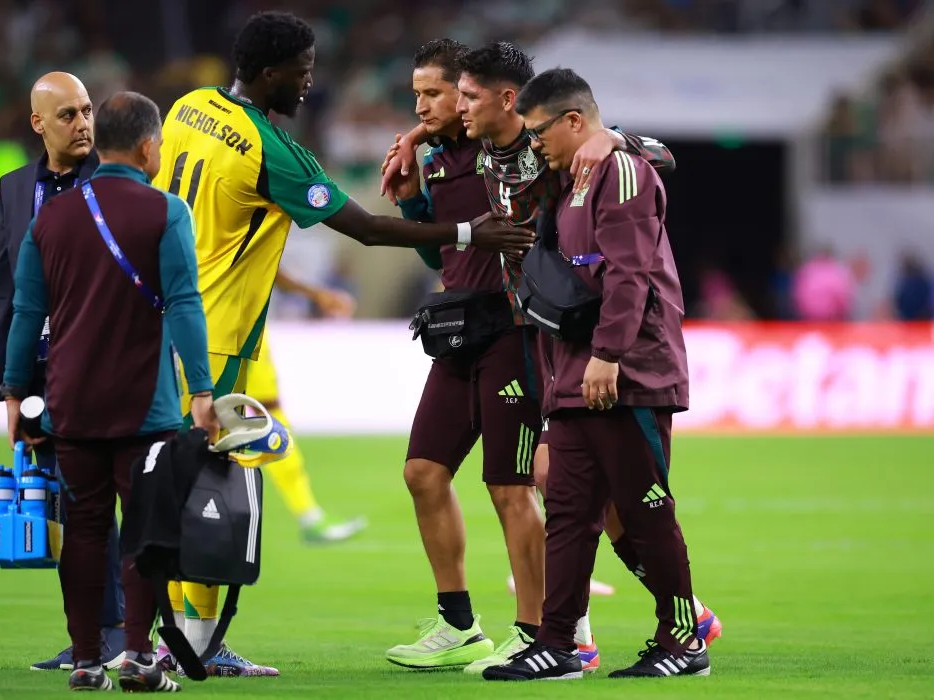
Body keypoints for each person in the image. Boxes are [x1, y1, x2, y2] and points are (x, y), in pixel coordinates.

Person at [150, 11, 533, 678]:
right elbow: (363, 228)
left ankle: (178, 639)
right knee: (208, 494)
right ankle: (191, 647)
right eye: (301, 74)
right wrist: (470, 234)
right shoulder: (271, 150)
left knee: (171, 489)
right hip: (216, 342)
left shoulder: (188, 107)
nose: (308, 86)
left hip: (160, 328)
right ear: (270, 74)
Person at [381, 40, 706, 673]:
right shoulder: (463, 156)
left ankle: (677, 624)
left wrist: (610, 138)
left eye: (452, 95)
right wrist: (417, 154)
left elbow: (654, 168)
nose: (438, 107)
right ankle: (556, 640)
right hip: (535, 341)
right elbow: (440, 251)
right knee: (564, 495)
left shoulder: (560, 147)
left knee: (597, 497)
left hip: (555, 343)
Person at [484, 68, 708, 681]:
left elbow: (630, 273)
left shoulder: (621, 169)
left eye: (539, 132)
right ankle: (558, 645)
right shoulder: (562, 176)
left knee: (645, 511)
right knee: (569, 511)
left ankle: (685, 641)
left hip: (627, 369)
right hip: (574, 370)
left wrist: (610, 354)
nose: (534, 145)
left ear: (575, 122)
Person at [2, 90, 219, 693]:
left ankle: (85, 660)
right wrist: (200, 390)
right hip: (143, 410)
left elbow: (26, 312)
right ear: (150, 146)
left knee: (87, 529)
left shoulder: (52, 217)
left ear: (102, 139)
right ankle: (141, 660)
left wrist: (14, 393)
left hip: (72, 405)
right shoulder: (166, 210)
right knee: (145, 533)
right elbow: (182, 302)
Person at [0, 71, 127, 672]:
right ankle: (89, 634)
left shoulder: (114, 180)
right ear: (38, 124)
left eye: (87, 110)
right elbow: (4, 290)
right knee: (63, 504)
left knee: (97, 502)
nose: (83, 123)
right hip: (35, 374)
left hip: (101, 366)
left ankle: (121, 631)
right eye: (68, 115)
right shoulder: (13, 190)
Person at [258, 269, 367, 544]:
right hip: (227, 326)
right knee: (267, 419)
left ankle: (309, 516)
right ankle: (309, 517)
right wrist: (317, 294)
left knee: (265, 420)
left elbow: (265, 265)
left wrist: (316, 294)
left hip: (236, 324)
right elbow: (266, 265)